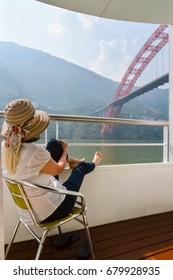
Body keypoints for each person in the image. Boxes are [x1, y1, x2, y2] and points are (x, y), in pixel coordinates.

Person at [1, 98, 102, 223]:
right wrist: (65, 151)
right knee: (80, 169)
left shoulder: (5, 147)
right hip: (54, 210)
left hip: (27, 212)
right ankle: (93, 163)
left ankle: (72, 160)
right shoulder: (35, 152)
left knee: (53, 143)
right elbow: (58, 170)